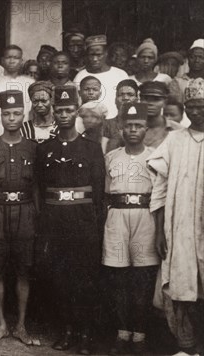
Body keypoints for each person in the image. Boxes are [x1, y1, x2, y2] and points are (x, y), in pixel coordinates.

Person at [35, 85, 105, 355]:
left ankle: (85, 333)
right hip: (55, 221)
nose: (63, 114)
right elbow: (40, 189)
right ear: (53, 112)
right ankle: (66, 330)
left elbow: (98, 193)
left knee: (84, 277)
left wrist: (96, 225)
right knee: (60, 277)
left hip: (82, 221)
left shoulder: (91, 148)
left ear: (76, 111)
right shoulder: (45, 149)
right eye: (59, 110)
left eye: (68, 110)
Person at [148, 78, 204, 356]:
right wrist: (160, 231)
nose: (197, 111)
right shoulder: (175, 139)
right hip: (179, 228)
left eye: (202, 106)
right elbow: (159, 189)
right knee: (183, 287)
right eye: (191, 106)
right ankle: (187, 345)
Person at [0, 90, 38, 344]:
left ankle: (21, 326)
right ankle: (2, 324)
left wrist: (37, 217)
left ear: (23, 114)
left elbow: (36, 187)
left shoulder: (33, 148)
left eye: (16, 113)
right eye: (6, 113)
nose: (11, 118)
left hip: (25, 210)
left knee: (24, 270)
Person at [102, 102, 158, 355]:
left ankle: (140, 335)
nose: (133, 130)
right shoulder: (112, 157)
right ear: (121, 129)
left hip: (145, 217)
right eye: (129, 126)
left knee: (142, 279)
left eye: (138, 125)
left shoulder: (156, 156)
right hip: (117, 216)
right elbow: (105, 194)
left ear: (146, 128)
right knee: (119, 277)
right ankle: (121, 333)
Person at [74, 35, 129, 119]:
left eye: (99, 55)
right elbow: (76, 105)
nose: (95, 59)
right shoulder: (80, 76)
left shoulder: (120, 74)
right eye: (91, 55)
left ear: (106, 53)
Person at [140, 81, 182, 148]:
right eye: (146, 99)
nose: (150, 103)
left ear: (165, 102)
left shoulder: (178, 130)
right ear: (140, 100)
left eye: (156, 99)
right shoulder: (129, 128)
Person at [102, 79, 140, 153]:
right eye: (121, 95)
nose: (125, 98)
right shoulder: (106, 125)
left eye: (130, 95)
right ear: (115, 100)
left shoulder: (144, 125)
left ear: (137, 99)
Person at [0, 45, 34, 117]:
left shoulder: (30, 83)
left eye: (16, 58)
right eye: (8, 57)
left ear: (21, 61)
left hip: (25, 124)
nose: (12, 61)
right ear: (2, 60)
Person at [169, 39, 204, 103]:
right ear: (187, 59)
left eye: (201, 57)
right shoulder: (177, 82)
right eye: (193, 57)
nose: (197, 60)